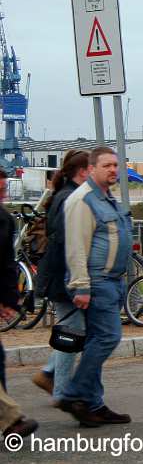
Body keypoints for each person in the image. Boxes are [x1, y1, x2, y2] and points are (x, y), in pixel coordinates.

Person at [58, 147, 133, 427]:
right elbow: (76, 246)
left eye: (116, 165)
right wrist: (81, 286)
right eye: (107, 166)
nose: (113, 170)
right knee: (107, 338)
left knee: (95, 342)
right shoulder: (82, 200)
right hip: (96, 281)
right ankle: (73, 393)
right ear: (91, 169)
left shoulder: (107, 198)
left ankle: (92, 404)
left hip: (112, 281)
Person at [33, 150, 91, 402]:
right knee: (72, 336)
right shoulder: (70, 198)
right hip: (64, 279)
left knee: (73, 330)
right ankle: (63, 392)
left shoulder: (64, 194)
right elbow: (68, 243)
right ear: (83, 171)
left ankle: (49, 374)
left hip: (59, 276)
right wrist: (78, 283)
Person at [0, 169, 39, 439]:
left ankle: (9, 421)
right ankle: (9, 419)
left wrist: (7, 299)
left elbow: (5, 264)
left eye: (2, 190)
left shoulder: (4, 220)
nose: (2, 195)